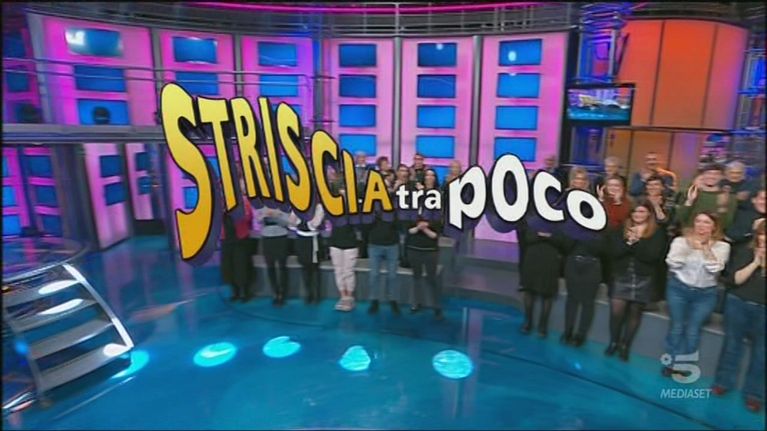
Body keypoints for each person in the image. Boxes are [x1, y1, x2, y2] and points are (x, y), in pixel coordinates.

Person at [663, 212, 730, 376]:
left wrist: (706, 248)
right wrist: (689, 247)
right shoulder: (680, 241)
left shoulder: (722, 247)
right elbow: (673, 263)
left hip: (705, 294)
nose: (701, 225)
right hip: (678, 289)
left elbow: (715, 268)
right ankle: (670, 363)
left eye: (706, 222)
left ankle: (683, 366)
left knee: (693, 330)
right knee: (677, 327)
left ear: (714, 227)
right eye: (698, 221)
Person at [712, 220, 765, 413]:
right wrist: (756, 263)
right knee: (731, 346)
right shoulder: (745, 251)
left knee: (762, 354)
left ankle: (754, 394)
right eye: (762, 238)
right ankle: (722, 383)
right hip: (738, 303)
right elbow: (735, 280)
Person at [604, 202, 667, 361]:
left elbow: (652, 256)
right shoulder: (620, 230)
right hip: (621, 276)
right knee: (616, 313)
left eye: (642, 211)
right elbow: (614, 252)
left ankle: (625, 346)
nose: (638, 214)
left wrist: (638, 241)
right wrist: (629, 243)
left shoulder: (657, 233)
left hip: (643, 278)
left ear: (649, 214)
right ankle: (614, 342)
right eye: (635, 211)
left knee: (634, 313)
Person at [561, 168, 603, 346]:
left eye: (583, 180)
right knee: (572, 298)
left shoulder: (594, 204)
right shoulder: (563, 202)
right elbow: (563, 229)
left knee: (587, 301)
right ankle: (568, 331)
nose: (579, 183)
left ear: (587, 183)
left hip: (592, 259)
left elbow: (599, 233)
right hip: (572, 256)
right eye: (576, 179)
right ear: (571, 182)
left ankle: (580, 335)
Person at [519, 214, 566, 338]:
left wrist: (545, 236)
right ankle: (528, 322)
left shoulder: (559, 221)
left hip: (550, 260)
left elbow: (562, 242)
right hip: (532, 258)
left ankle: (543, 326)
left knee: (548, 294)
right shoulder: (532, 220)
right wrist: (546, 236)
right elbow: (528, 238)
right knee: (529, 291)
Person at [406, 169, 444, 320]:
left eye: (432, 175)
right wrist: (419, 227)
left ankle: (436, 306)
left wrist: (425, 227)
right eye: (427, 175)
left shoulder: (438, 197)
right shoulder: (415, 198)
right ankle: (416, 303)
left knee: (431, 278)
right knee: (416, 277)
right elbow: (408, 224)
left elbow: (438, 226)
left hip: (430, 247)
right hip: (414, 245)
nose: (429, 177)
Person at [676, 163, 738, 231]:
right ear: (702, 175)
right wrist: (689, 202)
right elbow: (679, 219)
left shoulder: (729, 197)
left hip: (714, 235)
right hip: (690, 233)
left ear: (722, 177)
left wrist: (722, 207)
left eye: (716, 174)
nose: (711, 176)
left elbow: (726, 224)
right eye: (708, 173)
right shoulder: (691, 193)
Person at [328, 182, 359, 312]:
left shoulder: (355, 207)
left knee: (348, 272)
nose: (343, 193)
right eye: (341, 190)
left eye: (345, 190)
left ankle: (349, 298)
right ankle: (342, 296)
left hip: (350, 243)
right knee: (338, 271)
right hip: (335, 242)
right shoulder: (332, 207)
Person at [221, 190, 254, 302]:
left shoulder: (243, 202)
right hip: (226, 239)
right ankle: (235, 292)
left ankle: (246, 292)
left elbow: (248, 217)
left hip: (241, 239)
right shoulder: (220, 203)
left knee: (242, 266)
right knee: (229, 267)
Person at [367, 209, 402, 315]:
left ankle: (393, 300)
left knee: (392, 275)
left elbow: (400, 225)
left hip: (392, 245)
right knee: (374, 274)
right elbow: (365, 224)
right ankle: (374, 300)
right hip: (374, 245)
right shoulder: (371, 205)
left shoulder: (396, 206)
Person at [289, 204, 325, 304]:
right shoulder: (297, 206)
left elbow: (314, 224)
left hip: (313, 240)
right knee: (304, 267)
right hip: (301, 239)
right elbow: (291, 224)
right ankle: (308, 293)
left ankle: (316, 294)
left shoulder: (318, 207)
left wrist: (302, 219)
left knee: (314, 267)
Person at [257, 207, 291, 306]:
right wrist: (264, 216)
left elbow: (288, 223)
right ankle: (275, 292)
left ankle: (282, 293)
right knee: (270, 266)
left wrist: (278, 216)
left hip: (281, 238)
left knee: (282, 266)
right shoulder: (262, 206)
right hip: (267, 238)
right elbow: (258, 221)